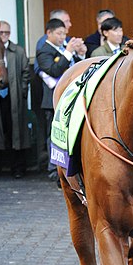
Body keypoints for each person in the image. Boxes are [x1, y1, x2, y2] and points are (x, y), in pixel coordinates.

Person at [36, 18, 84, 185]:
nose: (63, 37)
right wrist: (69, 51)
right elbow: (54, 70)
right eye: (59, 33)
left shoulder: (63, 49)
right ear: (48, 33)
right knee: (54, 135)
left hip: (70, 98)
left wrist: (81, 53)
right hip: (52, 101)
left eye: (64, 33)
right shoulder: (44, 51)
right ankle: (53, 169)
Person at [0, 20, 30, 178]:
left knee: (16, 131)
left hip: (13, 97)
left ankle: (18, 168)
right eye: (1, 33)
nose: (4, 35)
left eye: (6, 33)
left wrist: (21, 92)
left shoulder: (18, 51)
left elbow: (25, 73)